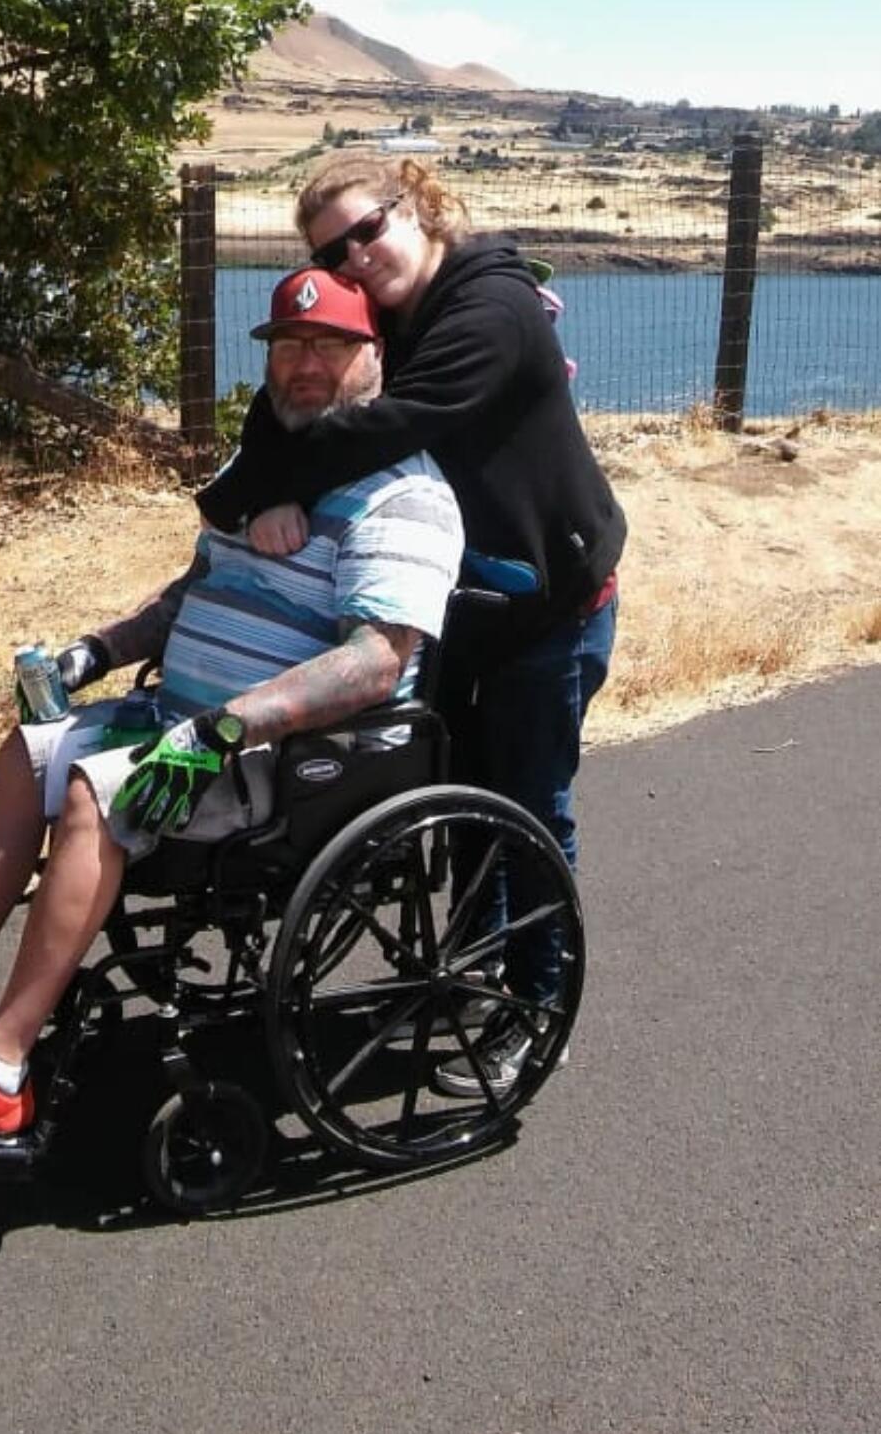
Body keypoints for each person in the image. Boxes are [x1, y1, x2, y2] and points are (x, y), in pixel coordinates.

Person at [0, 266, 463, 1162]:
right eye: (289, 347)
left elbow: (377, 662)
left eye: (330, 347)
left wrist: (226, 727)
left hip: (283, 761)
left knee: (97, 796)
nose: (304, 365)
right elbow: (194, 590)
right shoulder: (266, 471)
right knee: (30, 750)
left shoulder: (403, 495)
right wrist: (96, 651)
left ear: (374, 357)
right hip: (183, 721)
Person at [197, 152, 626, 1097]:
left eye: (366, 230)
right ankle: (474, 981)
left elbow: (390, 422)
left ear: (420, 205)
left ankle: (534, 1006)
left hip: (550, 606)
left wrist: (247, 489)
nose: (353, 259)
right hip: (456, 605)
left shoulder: (492, 310)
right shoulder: (384, 313)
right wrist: (246, 487)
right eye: (330, 251)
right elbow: (290, 405)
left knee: (530, 812)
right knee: (463, 810)